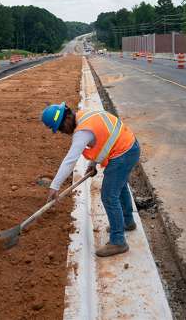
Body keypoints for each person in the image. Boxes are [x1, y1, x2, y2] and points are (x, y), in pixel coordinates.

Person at [41, 102, 140, 257]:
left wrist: (55, 186)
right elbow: (103, 137)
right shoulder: (83, 116)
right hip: (129, 146)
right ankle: (127, 221)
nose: (62, 132)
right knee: (119, 188)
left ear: (65, 120)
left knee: (109, 195)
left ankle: (118, 241)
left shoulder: (82, 132)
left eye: (60, 129)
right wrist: (93, 163)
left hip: (123, 153)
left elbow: (70, 160)